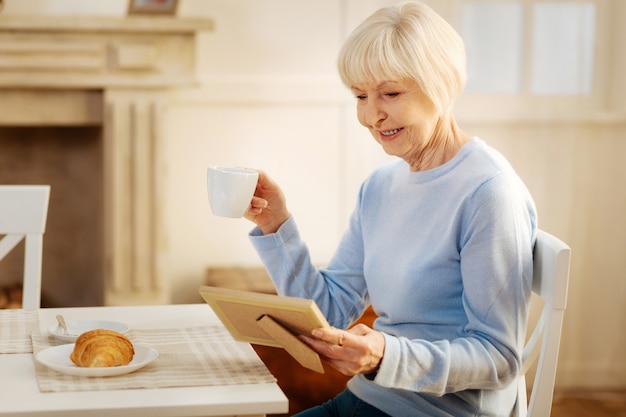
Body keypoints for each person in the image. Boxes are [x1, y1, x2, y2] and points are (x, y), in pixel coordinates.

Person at [243, 2, 537, 416]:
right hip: (368, 400)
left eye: (391, 93)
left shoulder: (488, 193)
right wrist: (275, 225)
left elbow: (500, 358)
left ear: (441, 86)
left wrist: (386, 356)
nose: (370, 115)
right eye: (360, 95)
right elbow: (328, 311)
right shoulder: (380, 187)